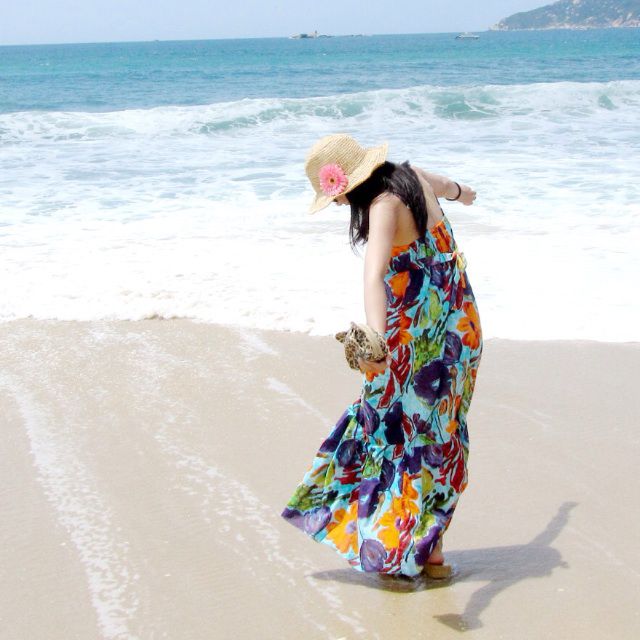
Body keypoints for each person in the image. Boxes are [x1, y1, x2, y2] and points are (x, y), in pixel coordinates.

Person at [280, 133, 483, 579]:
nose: (338, 204)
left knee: (393, 433)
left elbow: (374, 276)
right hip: (462, 330)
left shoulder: (383, 205)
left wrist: (376, 341)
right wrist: (464, 194)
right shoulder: (412, 175)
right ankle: (431, 550)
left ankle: (398, 548)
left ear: (349, 184)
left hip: (418, 340)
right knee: (439, 432)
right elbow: (449, 186)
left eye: (335, 195)